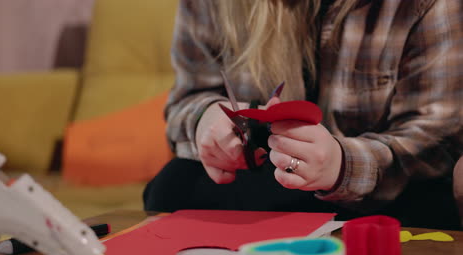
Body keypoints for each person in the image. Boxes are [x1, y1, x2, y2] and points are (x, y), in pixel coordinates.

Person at [143, 0, 463, 230]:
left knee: (429, 209)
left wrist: (343, 165)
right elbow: (188, 97)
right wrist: (205, 119)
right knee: (172, 185)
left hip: (381, 193)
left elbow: (436, 144)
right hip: (263, 177)